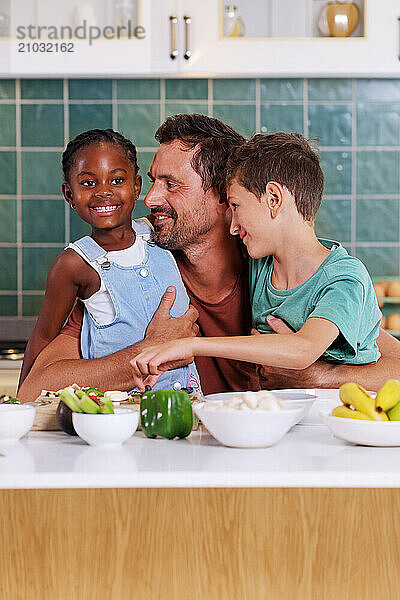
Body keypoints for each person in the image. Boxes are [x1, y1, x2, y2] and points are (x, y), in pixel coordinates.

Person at [18, 116, 400, 403]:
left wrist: (314, 376)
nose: (149, 200)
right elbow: (35, 387)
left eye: (172, 184)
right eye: (151, 182)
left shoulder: (276, 271)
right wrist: (147, 352)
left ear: (225, 198)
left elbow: (393, 366)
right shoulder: (129, 271)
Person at [128, 132, 386, 390]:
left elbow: (304, 349)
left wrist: (189, 345)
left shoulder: (345, 278)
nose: (233, 225)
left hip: (343, 420)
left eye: (236, 206)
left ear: (274, 199)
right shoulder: (263, 265)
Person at [19, 128, 200, 393]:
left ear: (136, 186)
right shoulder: (74, 264)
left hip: (189, 401)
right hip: (120, 409)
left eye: (116, 180)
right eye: (89, 183)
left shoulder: (157, 231)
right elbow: (44, 337)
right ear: (69, 194)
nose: (104, 192)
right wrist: (20, 406)